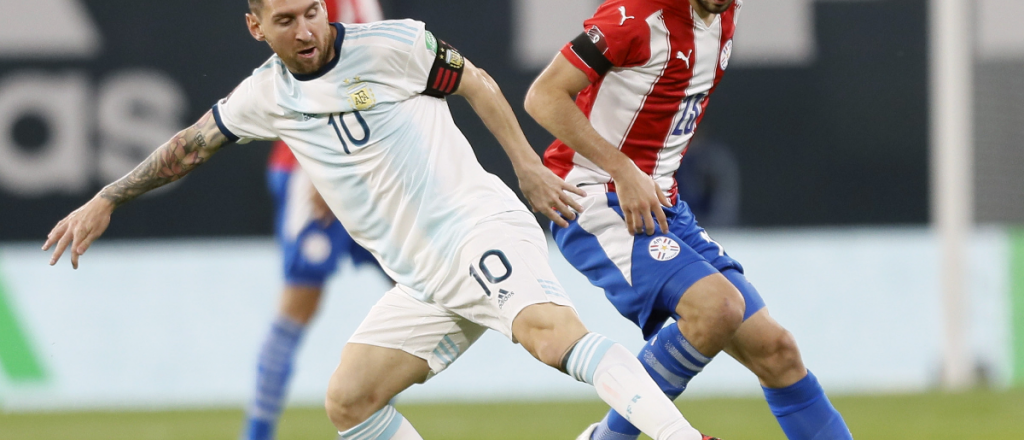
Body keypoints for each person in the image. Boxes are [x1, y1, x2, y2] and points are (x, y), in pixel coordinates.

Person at [43, 1, 721, 439]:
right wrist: (108, 198)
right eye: (286, 20)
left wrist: (526, 166)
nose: (305, 30)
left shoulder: (393, 44)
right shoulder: (263, 96)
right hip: (424, 278)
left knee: (552, 338)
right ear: (256, 27)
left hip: (477, 228)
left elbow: (479, 82)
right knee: (350, 399)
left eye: (312, 11)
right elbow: (189, 146)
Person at [524, 0, 855, 439]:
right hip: (598, 199)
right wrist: (623, 169)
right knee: (717, 308)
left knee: (777, 352)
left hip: (663, 204)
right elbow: (543, 96)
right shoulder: (635, 17)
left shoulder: (725, 14)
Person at [244, 1, 388, 439]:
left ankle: (377, 419)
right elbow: (317, 86)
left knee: (420, 293)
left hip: (366, 173)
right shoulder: (309, 8)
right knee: (298, 303)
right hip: (312, 171)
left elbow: (376, 81)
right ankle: (257, 434)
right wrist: (324, 171)